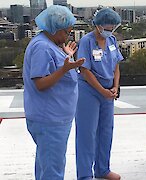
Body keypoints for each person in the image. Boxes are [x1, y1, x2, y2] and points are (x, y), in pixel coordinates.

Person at [23, 5, 85, 180]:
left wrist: (66, 57)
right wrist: (64, 69)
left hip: (55, 118)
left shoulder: (51, 44)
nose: (68, 36)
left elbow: (57, 67)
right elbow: (41, 83)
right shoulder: (42, 48)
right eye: (66, 32)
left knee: (46, 164)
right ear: (55, 28)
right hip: (50, 119)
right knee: (52, 170)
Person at [75, 8, 124, 180]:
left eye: (113, 27)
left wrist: (115, 87)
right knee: (87, 133)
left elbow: (116, 65)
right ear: (98, 25)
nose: (110, 31)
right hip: (89, 91)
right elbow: (84, 70)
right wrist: (101, 90)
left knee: (106, 131)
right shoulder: (86, 42)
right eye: (107, 27)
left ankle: (103, 169)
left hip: (108, 91)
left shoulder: (112, 40)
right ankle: (85, 174)